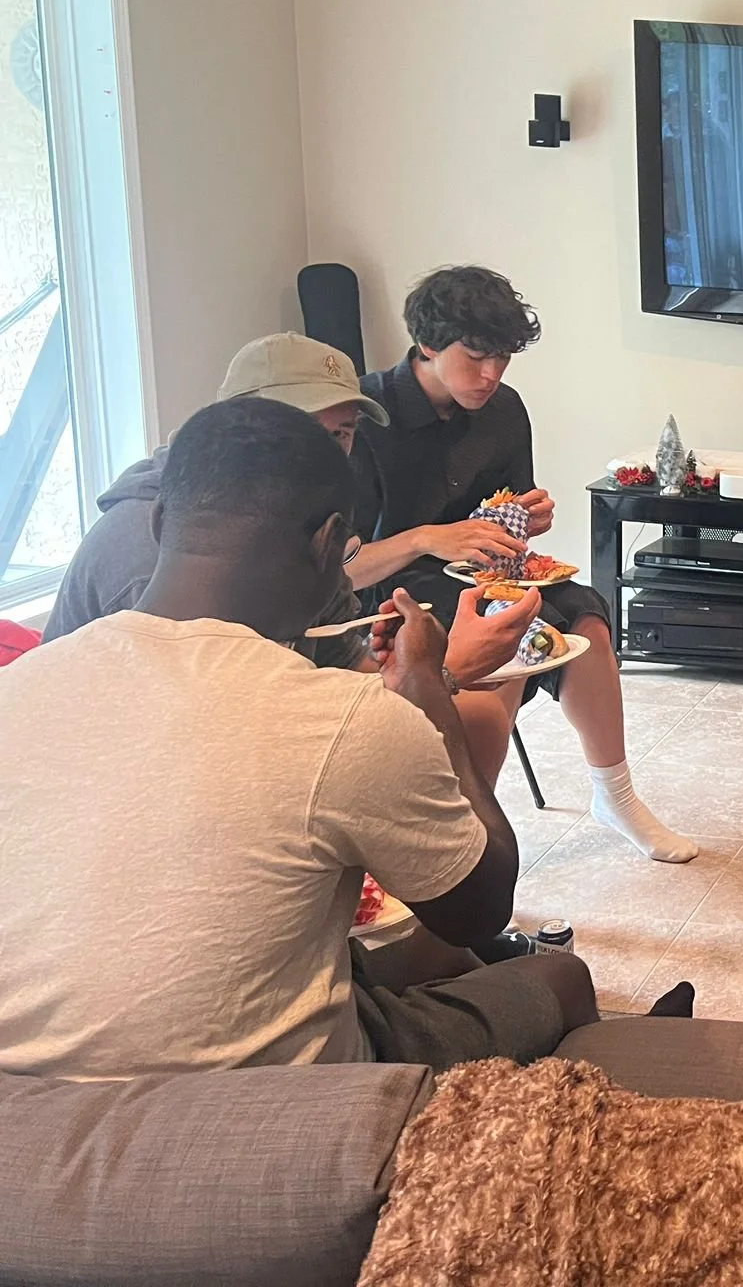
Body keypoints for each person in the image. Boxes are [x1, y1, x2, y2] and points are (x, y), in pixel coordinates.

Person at [0, 399, 595, 1079]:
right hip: (274, 1115)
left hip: (26, 1123)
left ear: (161, 520)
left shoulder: (20, 688)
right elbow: (479, 909)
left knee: (388, 966)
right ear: (329, 542)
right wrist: (429, 694)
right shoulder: (346, 720)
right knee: (559, 981)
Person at [42, 332, 532, 775]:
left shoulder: (305, 523)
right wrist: (445, 675)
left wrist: (412, 672)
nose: (327, 454)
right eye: (305, 429)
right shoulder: (157, 550)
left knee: (473, 717)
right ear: (239, 423)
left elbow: (350, 673)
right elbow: (211, 746)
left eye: (341, 432)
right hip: (118, 775)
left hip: (233, 744)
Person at [352, 266, 694, 863]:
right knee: (514, 639)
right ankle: (466, 843)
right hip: (393, 594)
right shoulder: (365, 416)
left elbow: (511, 513)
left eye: (504, 359)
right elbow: (346, 567)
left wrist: (528, 516)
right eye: (477, 357)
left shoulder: (504, 409)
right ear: (427, 344)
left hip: (483, 577)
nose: (491, 376)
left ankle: (614, 794)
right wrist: (428, 538)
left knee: (586, 616)